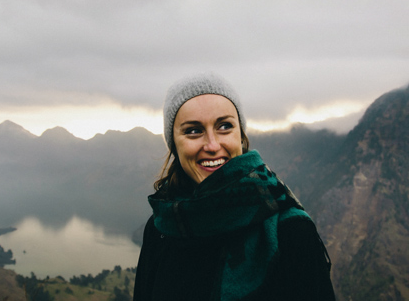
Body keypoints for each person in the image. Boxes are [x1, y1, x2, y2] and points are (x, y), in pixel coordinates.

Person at [134, 73, 336, 301]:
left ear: (240, 136)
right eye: (193, 130)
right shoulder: (161, 227)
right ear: (174, 144)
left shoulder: (290, 232)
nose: (212, 145)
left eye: (224, 126)